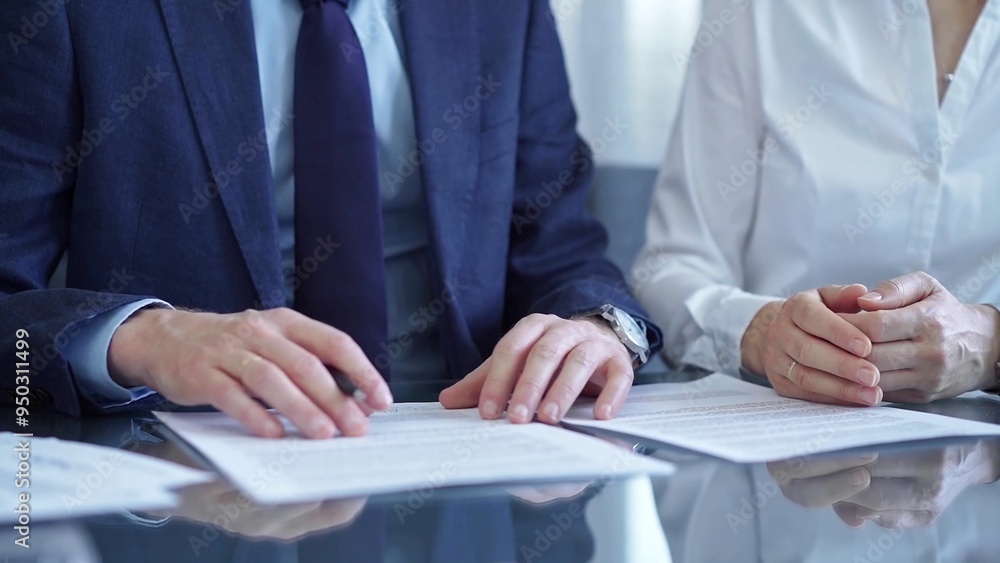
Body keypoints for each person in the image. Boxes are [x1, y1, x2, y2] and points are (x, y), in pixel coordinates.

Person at [0, 0, 661, 438]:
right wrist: (140, 339)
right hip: (191, 471)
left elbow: (561, 251)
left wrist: (597, 326)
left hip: (472, 457)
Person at [634, 0, 1000, 406]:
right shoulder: (759, 12)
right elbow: (669, 271)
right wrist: (761, 332)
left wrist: (992, 344)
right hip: (775, 435)